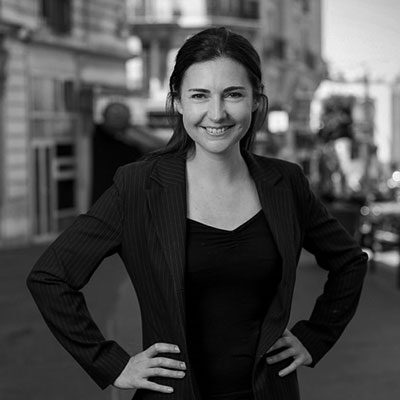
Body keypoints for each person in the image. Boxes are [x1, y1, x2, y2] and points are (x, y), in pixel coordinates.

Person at [27, 27, 368, 400]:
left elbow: (349, 262)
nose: (216, 113)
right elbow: (50, 277)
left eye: (233, 94)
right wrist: (112, 363)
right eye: (199, 95)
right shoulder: (139, 187)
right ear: (178, 102)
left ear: (256, 100)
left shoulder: (285, 183)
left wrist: (314, 337)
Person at [91, 101, 164, 204]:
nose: (117, 119)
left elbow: (160, 147)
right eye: (114, 115)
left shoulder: (132, 144)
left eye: (120, 116)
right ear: (103, 116)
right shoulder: (92, 136)